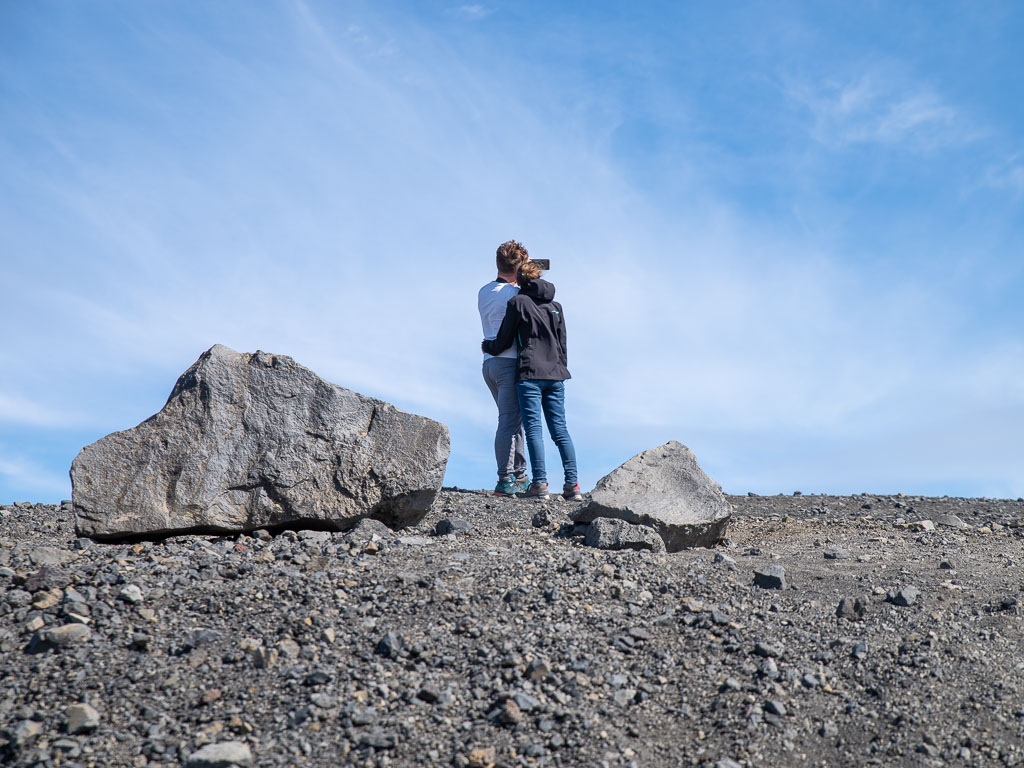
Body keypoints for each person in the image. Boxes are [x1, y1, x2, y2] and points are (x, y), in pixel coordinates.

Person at [481, 258, 581, 501]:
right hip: (556, 375)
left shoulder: (518, 302)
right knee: (561, 431)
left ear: (520, 279)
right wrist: (559, 369)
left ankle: (539, 485)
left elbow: (504, 339)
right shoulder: (556, 305)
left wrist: (487, 346)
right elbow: (562, 343)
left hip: (529, 374)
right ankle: (573, 486)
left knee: (534, 430)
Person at [478, 240, 531, 496]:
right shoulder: (516, 295)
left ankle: (519, 475)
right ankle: (505, 479)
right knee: (509, 423)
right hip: (509, 363)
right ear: (519, 268)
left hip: (489, 364)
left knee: (513, 421)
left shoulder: (483, 291)